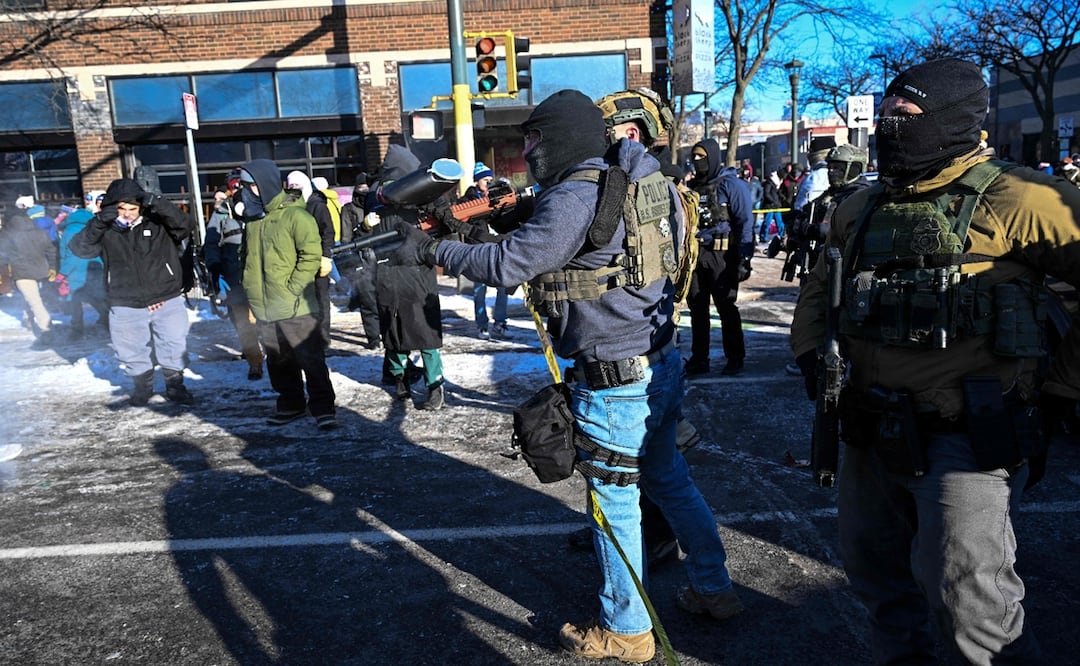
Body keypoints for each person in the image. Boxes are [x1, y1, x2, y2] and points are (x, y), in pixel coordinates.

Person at [403, 89, 742, 663]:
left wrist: (440, 252)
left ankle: (627, 630)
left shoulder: (577, 192)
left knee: (613, 501)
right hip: (657, 360)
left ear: (561, 136)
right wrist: (512, 214)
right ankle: (714, 588)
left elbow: (512, 264)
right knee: (670, 480)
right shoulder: (636, 177)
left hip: (614, 377)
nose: (528, 150)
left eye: (534, 138)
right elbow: (586, 240)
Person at [790, 57, 1080, 664]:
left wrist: (1062, 388)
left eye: (908, 115)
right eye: (888, 113)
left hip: (966, 442)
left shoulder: (1023, 197)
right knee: (877, 580)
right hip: (868, 428)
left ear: (951, 122)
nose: (892, 126)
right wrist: (811, 354)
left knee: (971, 606)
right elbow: (822, 287)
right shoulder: (860, 205)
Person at [68, 178, 195, 405]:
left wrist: (158, 203)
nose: (127, 214)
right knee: (130, 349)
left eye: (132, 208)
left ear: (141, 207)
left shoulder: (157, 223)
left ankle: (176, 387)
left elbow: (185, 225)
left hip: (165, 296)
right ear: (112, 208)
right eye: (121, 209)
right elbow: (79, 248)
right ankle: (142, 388)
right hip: (124, 299)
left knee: (173, 343)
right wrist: (99, 222)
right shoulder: (106, 230)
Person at [236, 159, 338, 430]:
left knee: (310, 359)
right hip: (265, 307)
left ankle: (323, 407)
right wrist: (250, 290)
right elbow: (245, 258)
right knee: (279, 362)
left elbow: (310, 256)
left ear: (265, 186)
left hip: (298, 306)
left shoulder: (297, 215)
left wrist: (293, 288)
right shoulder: (253, 221)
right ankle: (291, 404)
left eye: (249, 186)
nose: (244, 192)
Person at [369, 145, 447, 411]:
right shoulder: (408, 196)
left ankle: (405, 381)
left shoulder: (380, 196)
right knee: (420, 335)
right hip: (410, 274)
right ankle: (432, 386)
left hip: (397, 274)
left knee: (399, 332)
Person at [684, 138, 754, 377]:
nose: (696, 162)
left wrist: (745, 257)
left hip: (722, 255)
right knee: (697, 309)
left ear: (712, 157)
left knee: (726, 307)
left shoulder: (731, 185)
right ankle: (699, 358)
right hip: (696, 254)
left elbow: (744, 221)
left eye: (701, 157)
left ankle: (735, 357)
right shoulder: (692, 188)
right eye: (694, 157)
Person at [204, 188, 264, 380]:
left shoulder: (262, 210)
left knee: (266, 321)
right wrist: (214, 267)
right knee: (243, 323)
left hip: (261, 278)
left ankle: (277, 356)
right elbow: (212, 243)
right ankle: (255, 362)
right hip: (233, 278)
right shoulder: (222, 214)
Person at [286, 170, 335, 348]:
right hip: (297, 263)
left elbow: (327, 231)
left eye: (296, 185)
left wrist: (325, 256)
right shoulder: (289, 205)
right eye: (290, 186)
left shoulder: (317, 205)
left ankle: (323, 337)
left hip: (317, 260)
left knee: (321, 299)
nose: (293, 189)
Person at [0, 203, 57, 348]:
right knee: (36, 298)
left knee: (35, 301)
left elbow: (2, 256)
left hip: (22, 272)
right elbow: (51, 249)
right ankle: (29, 318)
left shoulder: (6, 234)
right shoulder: (38, 230)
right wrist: (52, 267)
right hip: (42, 269)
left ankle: (47, 330)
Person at [462, 162, 509, 340]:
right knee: (479, 290)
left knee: (503, 286)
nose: (489, 183)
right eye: (485, 180)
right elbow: (465, 222)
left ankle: (500, 321)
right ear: (477, 182)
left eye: (491, 180)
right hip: (478, 250)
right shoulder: (468, 200)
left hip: (496, 248)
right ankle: (482, 325)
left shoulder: (495, 195)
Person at [337, 174, 382, 349]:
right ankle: (373, 338)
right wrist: (352, 261)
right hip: (362, 258)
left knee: (383, 299)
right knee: (367, 301)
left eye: (366, 187)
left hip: (381, 257)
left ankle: (385, 334)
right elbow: (346, 238)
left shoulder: (378, 204)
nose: (364, 191)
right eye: (361, 187)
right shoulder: (349, 209)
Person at [56, 192, 109, 338]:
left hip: (76, 271)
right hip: (95, 266)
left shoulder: (69, 231)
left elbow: (70, 254)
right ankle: (108, 320)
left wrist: (63, 273)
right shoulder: (93, 227)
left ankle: (77, 329)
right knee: (96, 297)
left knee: (75, 300)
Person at [759, 169, 784, 242]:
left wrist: (782, 198)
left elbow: (777, 193)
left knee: (780, 223)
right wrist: (773, 201)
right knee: (767, 222)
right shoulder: (768, 183)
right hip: (770, 206)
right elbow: (766, 194)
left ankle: (781, 236)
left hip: (776, 206)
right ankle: (763, 237)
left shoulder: (777, 184)